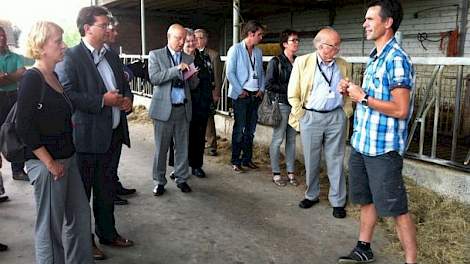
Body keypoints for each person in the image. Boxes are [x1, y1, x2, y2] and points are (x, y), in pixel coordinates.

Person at [337, 1, 417, 263]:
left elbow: (401, 109)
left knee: (396, 209)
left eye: (370, 19)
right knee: (366, 200)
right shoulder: (375, 57)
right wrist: (351, 91)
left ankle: (410, 261)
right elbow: (370, 98)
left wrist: (363, 98)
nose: (365, 24)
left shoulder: (396, 59)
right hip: (363, 143)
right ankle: (364, 248)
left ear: (388, 22)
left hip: (383, 149)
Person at [56, 6, 134, 261]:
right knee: (83, 195)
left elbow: (123, 85)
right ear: (87, 28)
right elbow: (68, 95)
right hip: (87, 139)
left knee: (107, 189)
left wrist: (127, 101)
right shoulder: (72, 57)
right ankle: (84, 242)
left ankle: (107, 233)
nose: (109, 29)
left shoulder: (110, 54)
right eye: (103, 25)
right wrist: (103, 100)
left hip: (112, 135)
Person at [16, 21, 93, 264]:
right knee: (50, 229)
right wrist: (49, 163)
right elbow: (23, 126)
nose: (64, 45)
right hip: (49, 165)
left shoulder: (54, 75)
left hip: (67, 160)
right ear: (41, 46)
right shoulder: (33, 79)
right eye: (58, 41)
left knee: (80, 219)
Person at [288, 27, 353, 218]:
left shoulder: (343, 65)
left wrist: (345, 112)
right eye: (334, 46)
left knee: (336, 159)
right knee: (311, 159)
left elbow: (349, 90)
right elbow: (293, 93)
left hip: (335, 116)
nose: (338, 50)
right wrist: (302, 115)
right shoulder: (303, 62)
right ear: (322, 46)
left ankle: (338, 201)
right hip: (311, 116)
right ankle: (312, 194)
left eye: (338, 46)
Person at [148, 24, 194, 196]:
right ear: (169, 37)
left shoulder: (188, 58)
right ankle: (159, 181)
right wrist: (176, 70)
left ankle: (182, 178)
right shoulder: (156, 55)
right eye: (178, 38)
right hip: (163, 110)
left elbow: (193, 85)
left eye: (183, 38)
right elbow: (154, 78)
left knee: (183, 147)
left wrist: (194, 75)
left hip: (182, 108)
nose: (182, 42)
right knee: (161, 148)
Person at [104, 15, 137, 206]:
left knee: (115, 154)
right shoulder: (87, 57)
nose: (116, 33)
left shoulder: (112, 53)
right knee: (106, 158)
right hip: (104, 118)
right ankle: (109, 192)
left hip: (118, 115)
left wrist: (129, 99)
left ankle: (114, 184)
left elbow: (124, 80)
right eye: (112, 29)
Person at [226, 20, 265, 172]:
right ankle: (235, 160)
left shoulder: (258, 52)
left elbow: (260, 72)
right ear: (251, 33)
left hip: (255, 95)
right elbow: (230, 72)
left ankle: (247, 159)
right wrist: (239, 89)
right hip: (241, 95)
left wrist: (261, 89)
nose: (261, 38)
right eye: (259, 34)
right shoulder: (235, 49)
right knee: (239, 128)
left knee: (250, 130)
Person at [265, 29, 299, 187]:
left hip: (295, 105)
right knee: (278, 138)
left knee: (291, 140)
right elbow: (269, 84)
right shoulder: (276, 61)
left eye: (297, 40)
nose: (296, 43)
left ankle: (291, 172)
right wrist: (290, 89)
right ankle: (276, 172)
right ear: (285, 43)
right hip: (281, 104)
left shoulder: (298, 61)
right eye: (293, 40)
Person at [0, 26, 28, 181]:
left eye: (3, 35)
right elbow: (16, 75)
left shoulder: (15, 57)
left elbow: (22, 73)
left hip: (14, 97)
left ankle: (18, 170)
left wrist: (5, 76)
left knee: (15, 131)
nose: (2, 38)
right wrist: (13, 76)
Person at [195, 29, 222, 157]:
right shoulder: (190, 54)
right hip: (195, 91)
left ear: (205, 40)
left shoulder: (213, 55)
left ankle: (211, 145)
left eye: (201, 38)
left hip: (208, 91)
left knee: (208, 118)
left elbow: (217, 76)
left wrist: (216, 93)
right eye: (196, 38)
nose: (198, 40)